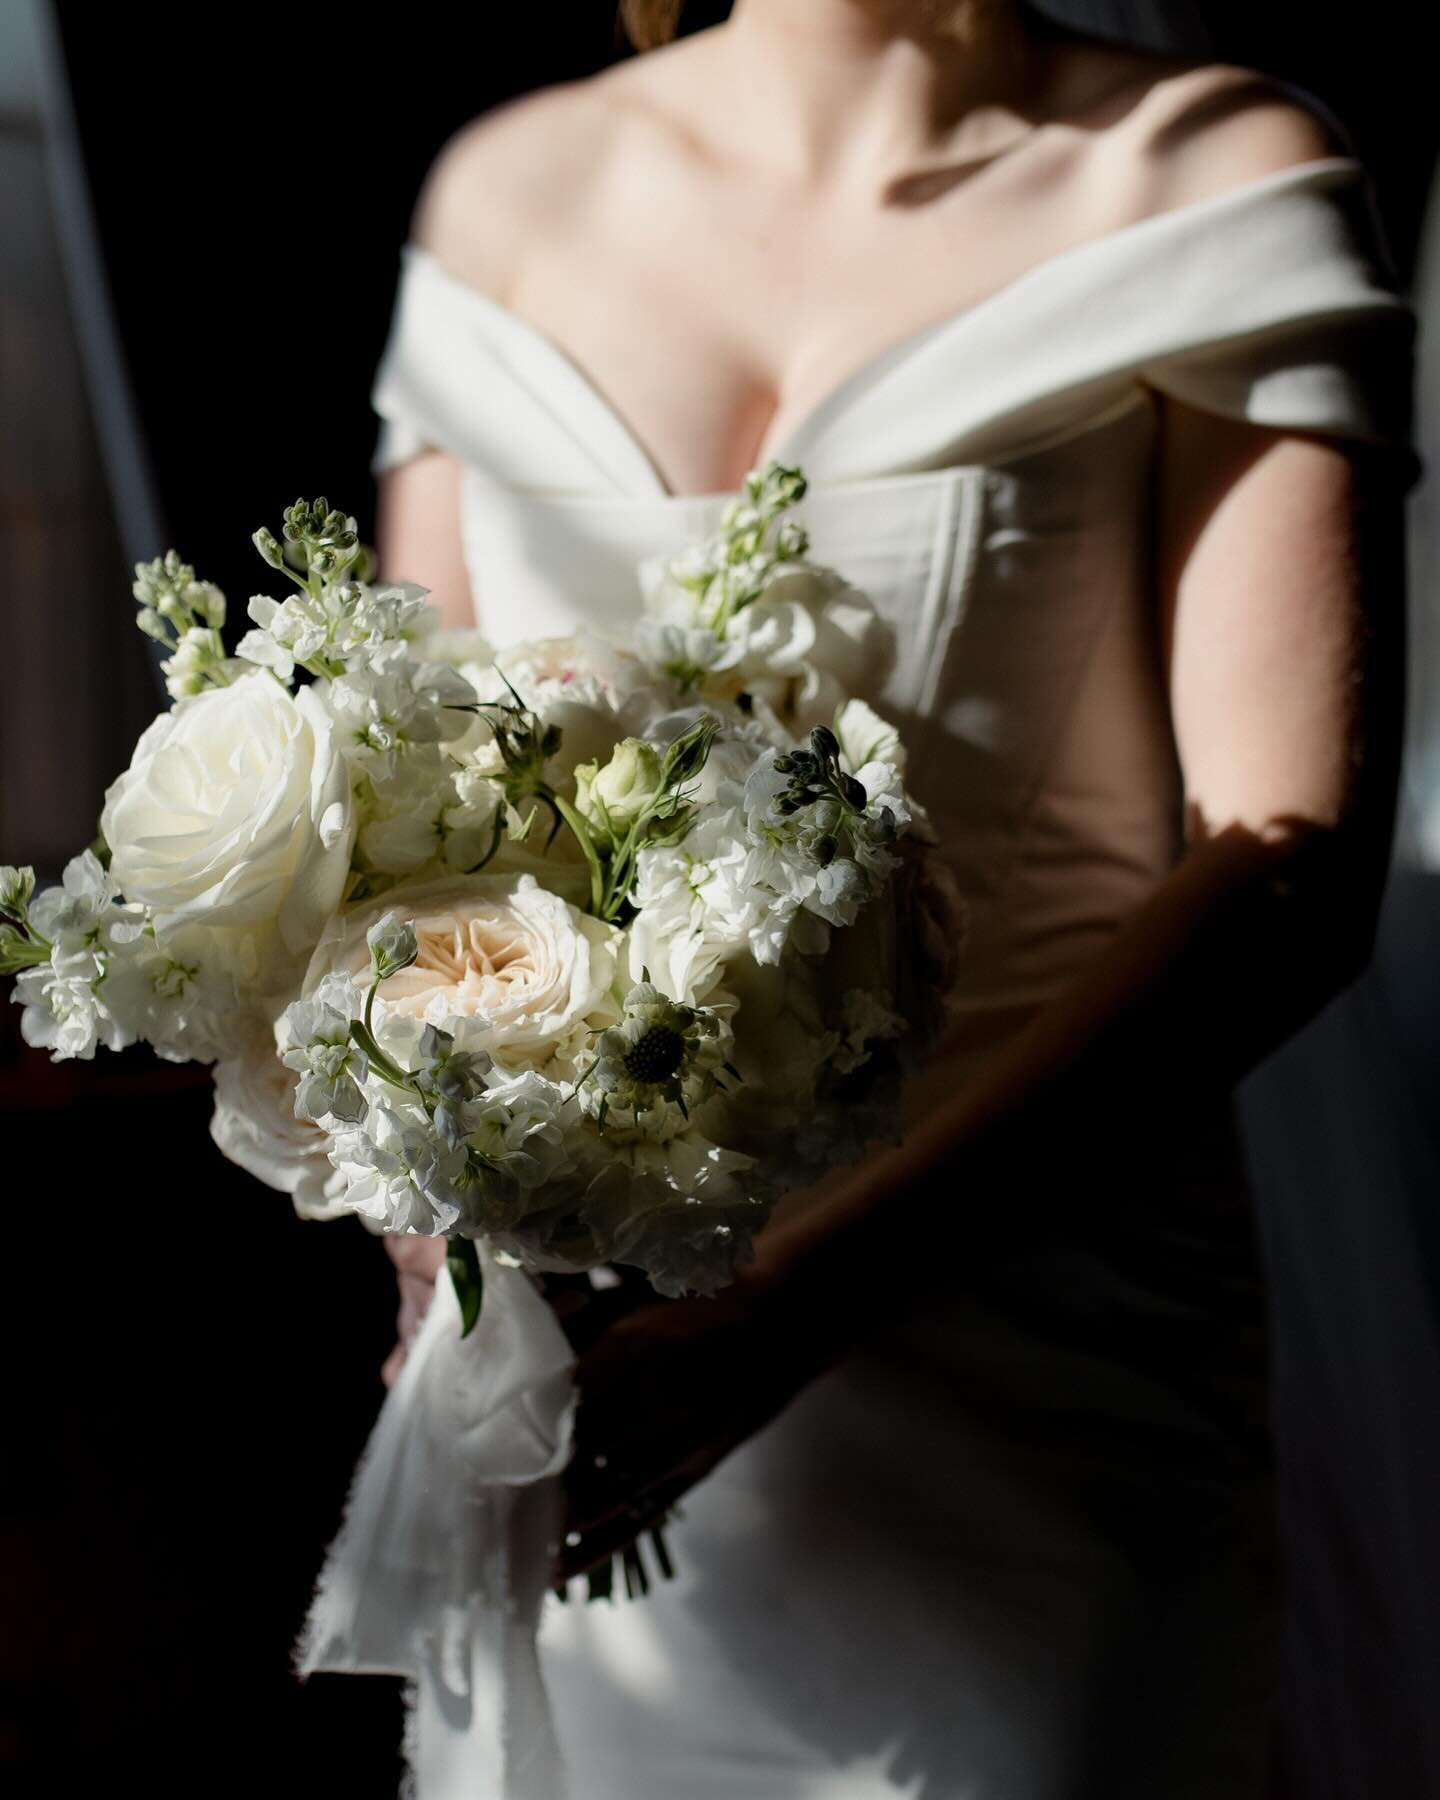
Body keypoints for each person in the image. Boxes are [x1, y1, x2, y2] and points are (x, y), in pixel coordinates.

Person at [364, 1, 1420, 1793]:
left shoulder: (1211, 176)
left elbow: (1289, 870)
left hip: (1044, 1369)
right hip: (600, 1381)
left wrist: (783, 1316)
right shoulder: (507, 193)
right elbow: (416, 839)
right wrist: (441, 1244)